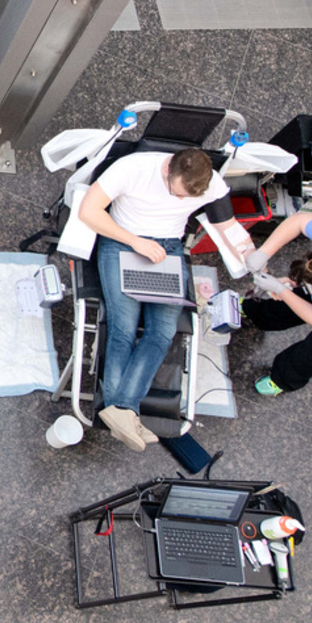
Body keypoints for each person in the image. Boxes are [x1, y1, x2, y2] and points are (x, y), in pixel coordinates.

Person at [78, 148, 247, 452]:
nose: (180, 201)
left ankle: (121, 410)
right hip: (122, 241)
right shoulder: (132, 168)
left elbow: (228, 226)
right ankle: (126, 410)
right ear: (168, 169)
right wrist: (136, 242)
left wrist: (251, 259)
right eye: (177, 193)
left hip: (168, 248)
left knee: (162, 332)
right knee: (124, 327)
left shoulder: (210, 183)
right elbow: (88, 212)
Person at [241, 213, 312, 396]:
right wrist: (264, 253)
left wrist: (282, 291)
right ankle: (253, 311)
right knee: (287, 305)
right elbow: (300, 220)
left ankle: (282, 380)